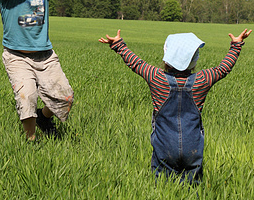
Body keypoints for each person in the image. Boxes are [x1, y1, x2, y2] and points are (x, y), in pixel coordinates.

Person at [0, 0, 122, 141]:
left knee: (65, 98)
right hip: (17, 57)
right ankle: (31, 142)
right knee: (27, 96)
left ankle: (44, 118)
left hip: (45, 57)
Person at [99, 28, 251, 183]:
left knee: (162, 188)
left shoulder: (156, 77)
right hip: (192, 147)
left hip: (164, 146)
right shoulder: (203, 80)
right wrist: (236, 45)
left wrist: (118, 44)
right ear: (194, 60)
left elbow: (136, 63)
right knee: (193, 190)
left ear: (167, 57)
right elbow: (223, 69)